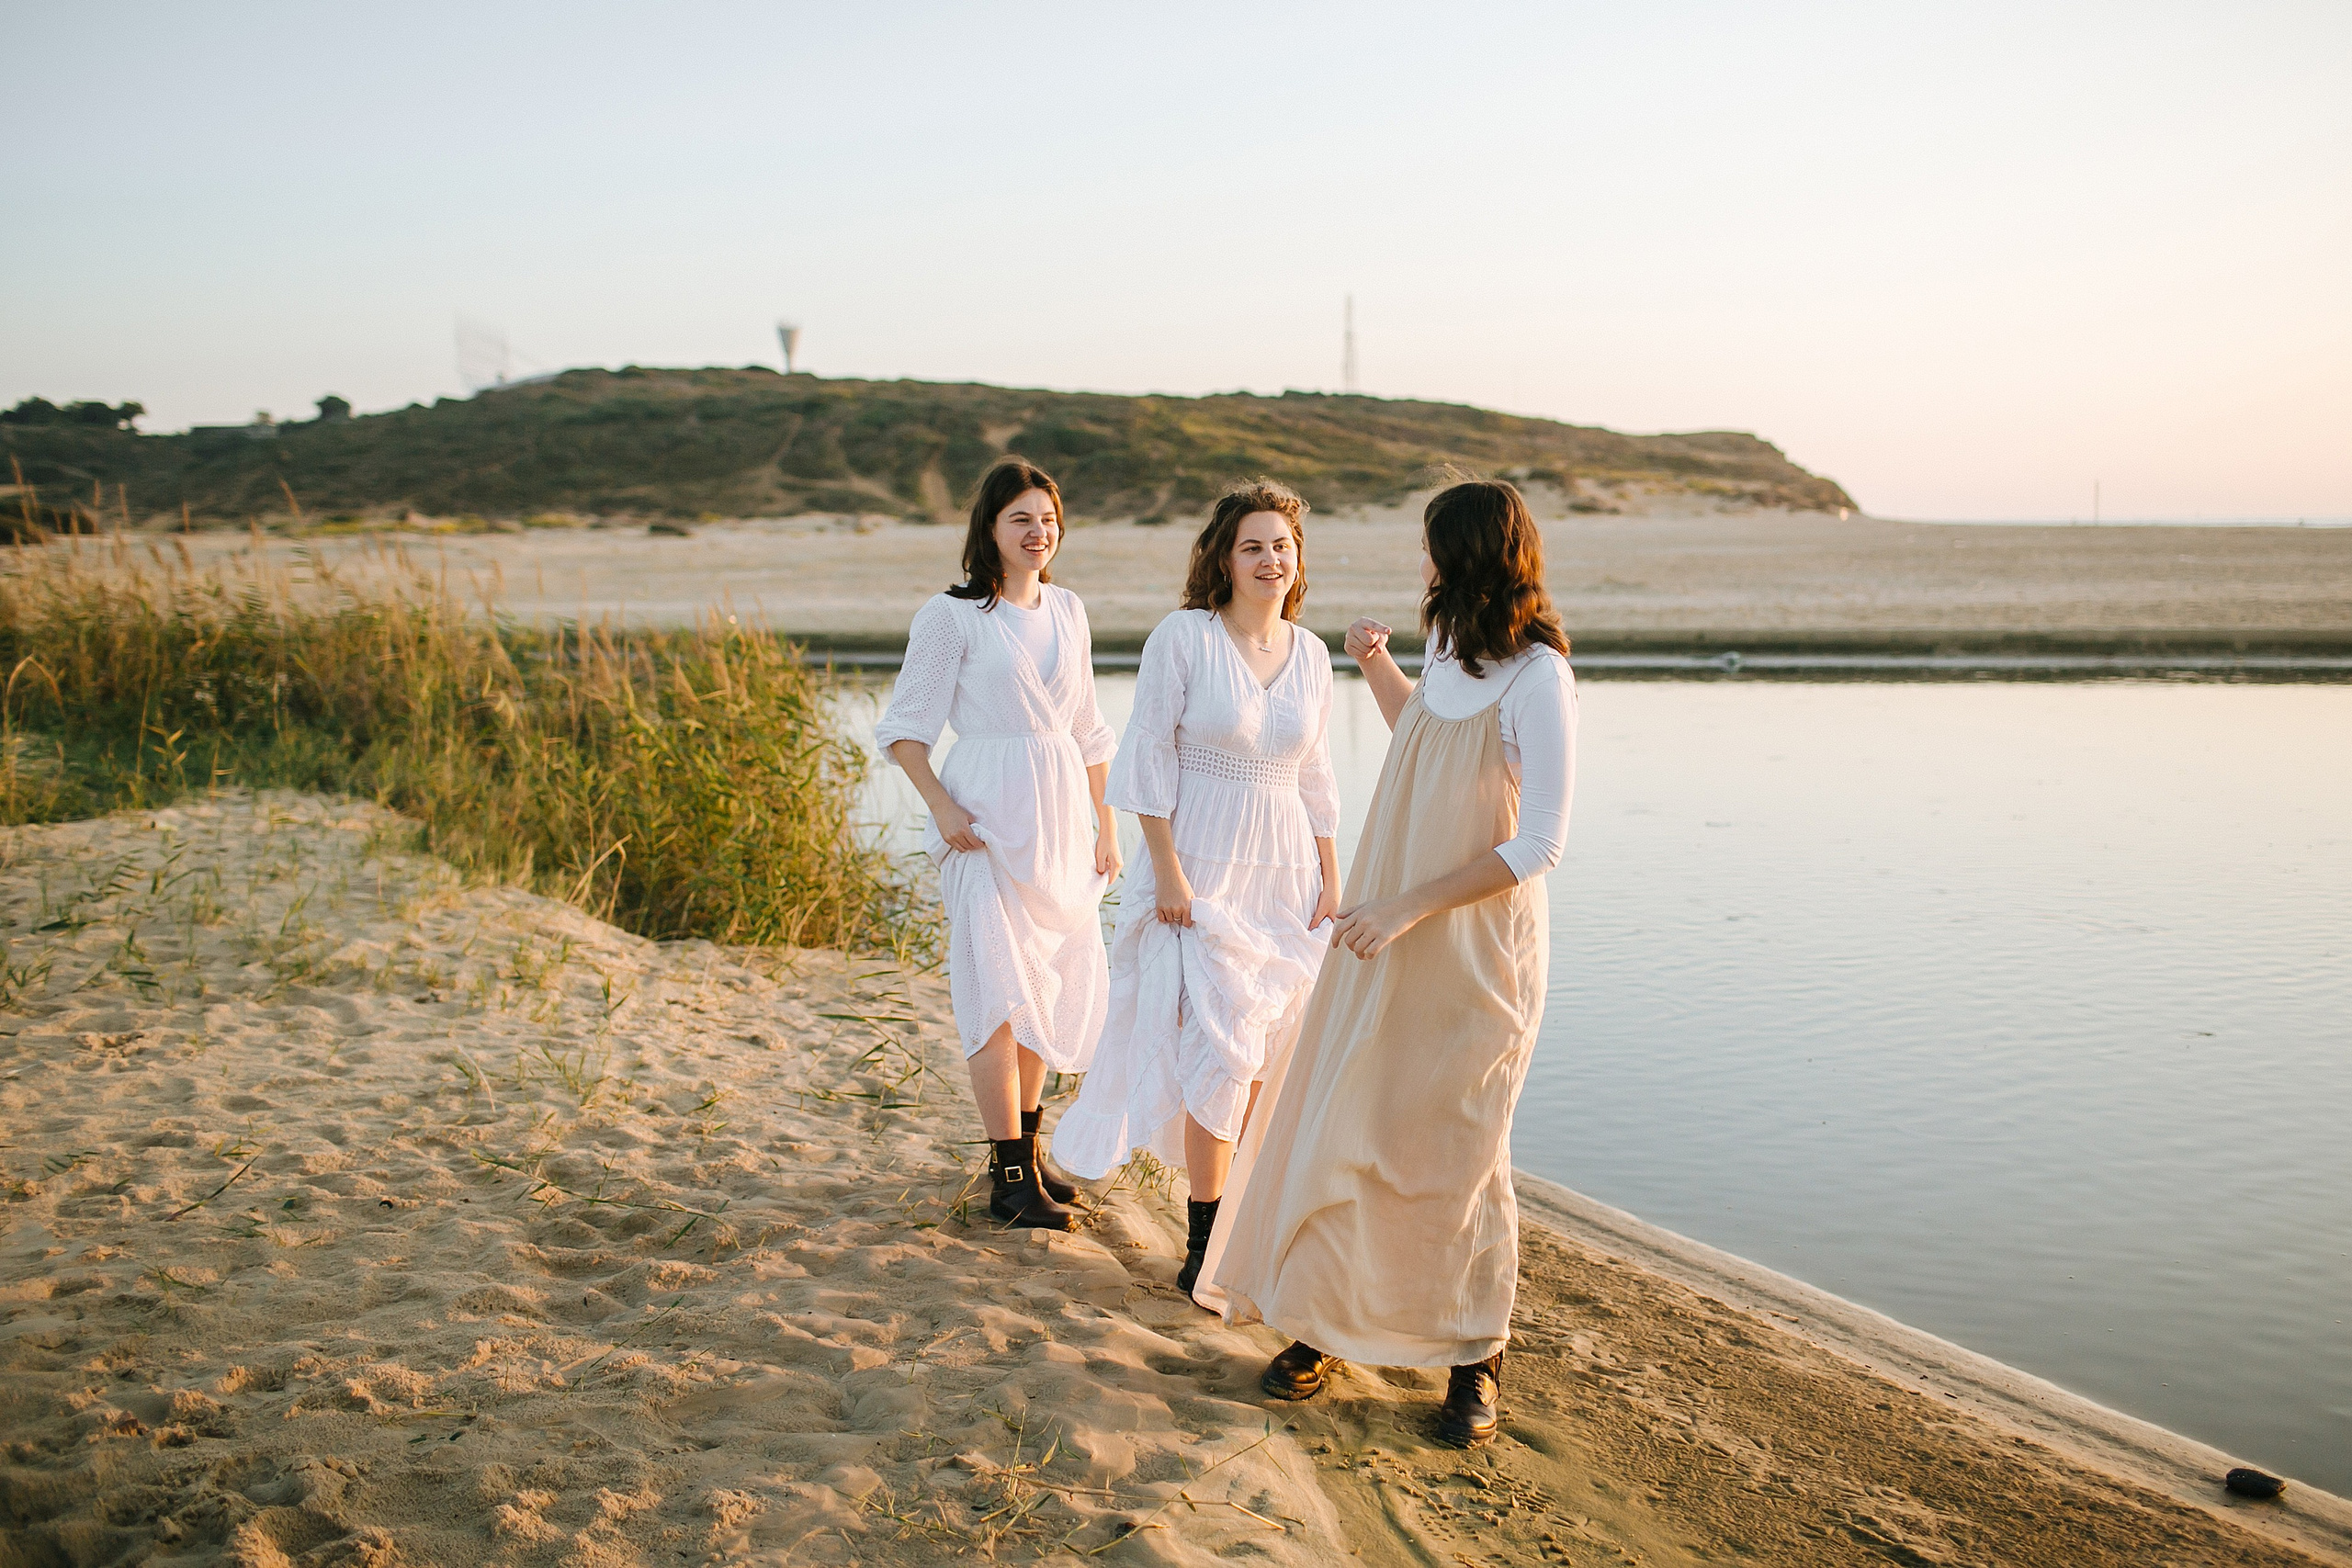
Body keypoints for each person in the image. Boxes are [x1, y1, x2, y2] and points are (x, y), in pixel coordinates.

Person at [1199, 478, 1577, 1447]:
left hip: (1473, 951)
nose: (1420, 563)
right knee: (1355, 1117)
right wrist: (1376, 664)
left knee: (1457, 1148)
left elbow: (1539, 845)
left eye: (1430, 547)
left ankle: (1473, 1360)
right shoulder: (1449, 649)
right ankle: (1326, 1325)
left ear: (1467, 557)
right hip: (1389, 929)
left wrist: (1408, 908)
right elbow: (1426, 737)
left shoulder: (1540, 676)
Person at [1053, 480, 1340, 1293]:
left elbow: (1316, 775)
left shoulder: (1312, 654)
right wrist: (1169, 871)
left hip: (1287, 878)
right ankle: (1205, 1236)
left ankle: (1241, 1218)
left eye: (1281, 546)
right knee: (1219, 1047)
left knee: (1264, 1056)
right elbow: (1146, 760)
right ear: (1223, 556)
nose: (1269, 560)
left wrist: (1333, 873)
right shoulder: (1183, 638)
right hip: (1201, 871)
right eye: (1252, 545)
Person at [875, 457, 1121, 1231]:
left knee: (1043, 985)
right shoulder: (950, 618)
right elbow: (904, 730)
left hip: (1059, 826)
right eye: (1022, 519)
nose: (1038, 533)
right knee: (996, 996)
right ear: (990, 529)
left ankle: (1029, 1150)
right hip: (982, 823)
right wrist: (943, 808)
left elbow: (1088, 729)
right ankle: (1009, 1181)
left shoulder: (1070, 610)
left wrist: (1105, 822)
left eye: (1048, 519)